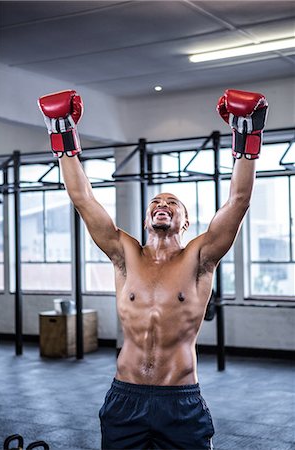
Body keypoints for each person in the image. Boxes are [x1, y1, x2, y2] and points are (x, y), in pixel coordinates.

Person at [38, 88, 268, 450]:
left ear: (186, 221)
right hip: (124, 397)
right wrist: (61, 132)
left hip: (180, 401)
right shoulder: (123, 253)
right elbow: (83, 198)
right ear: (147, 219)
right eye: (156, 202)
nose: (162, 204)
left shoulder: (200, 257)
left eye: (172, 203)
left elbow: (238, 201)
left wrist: (247, 135)